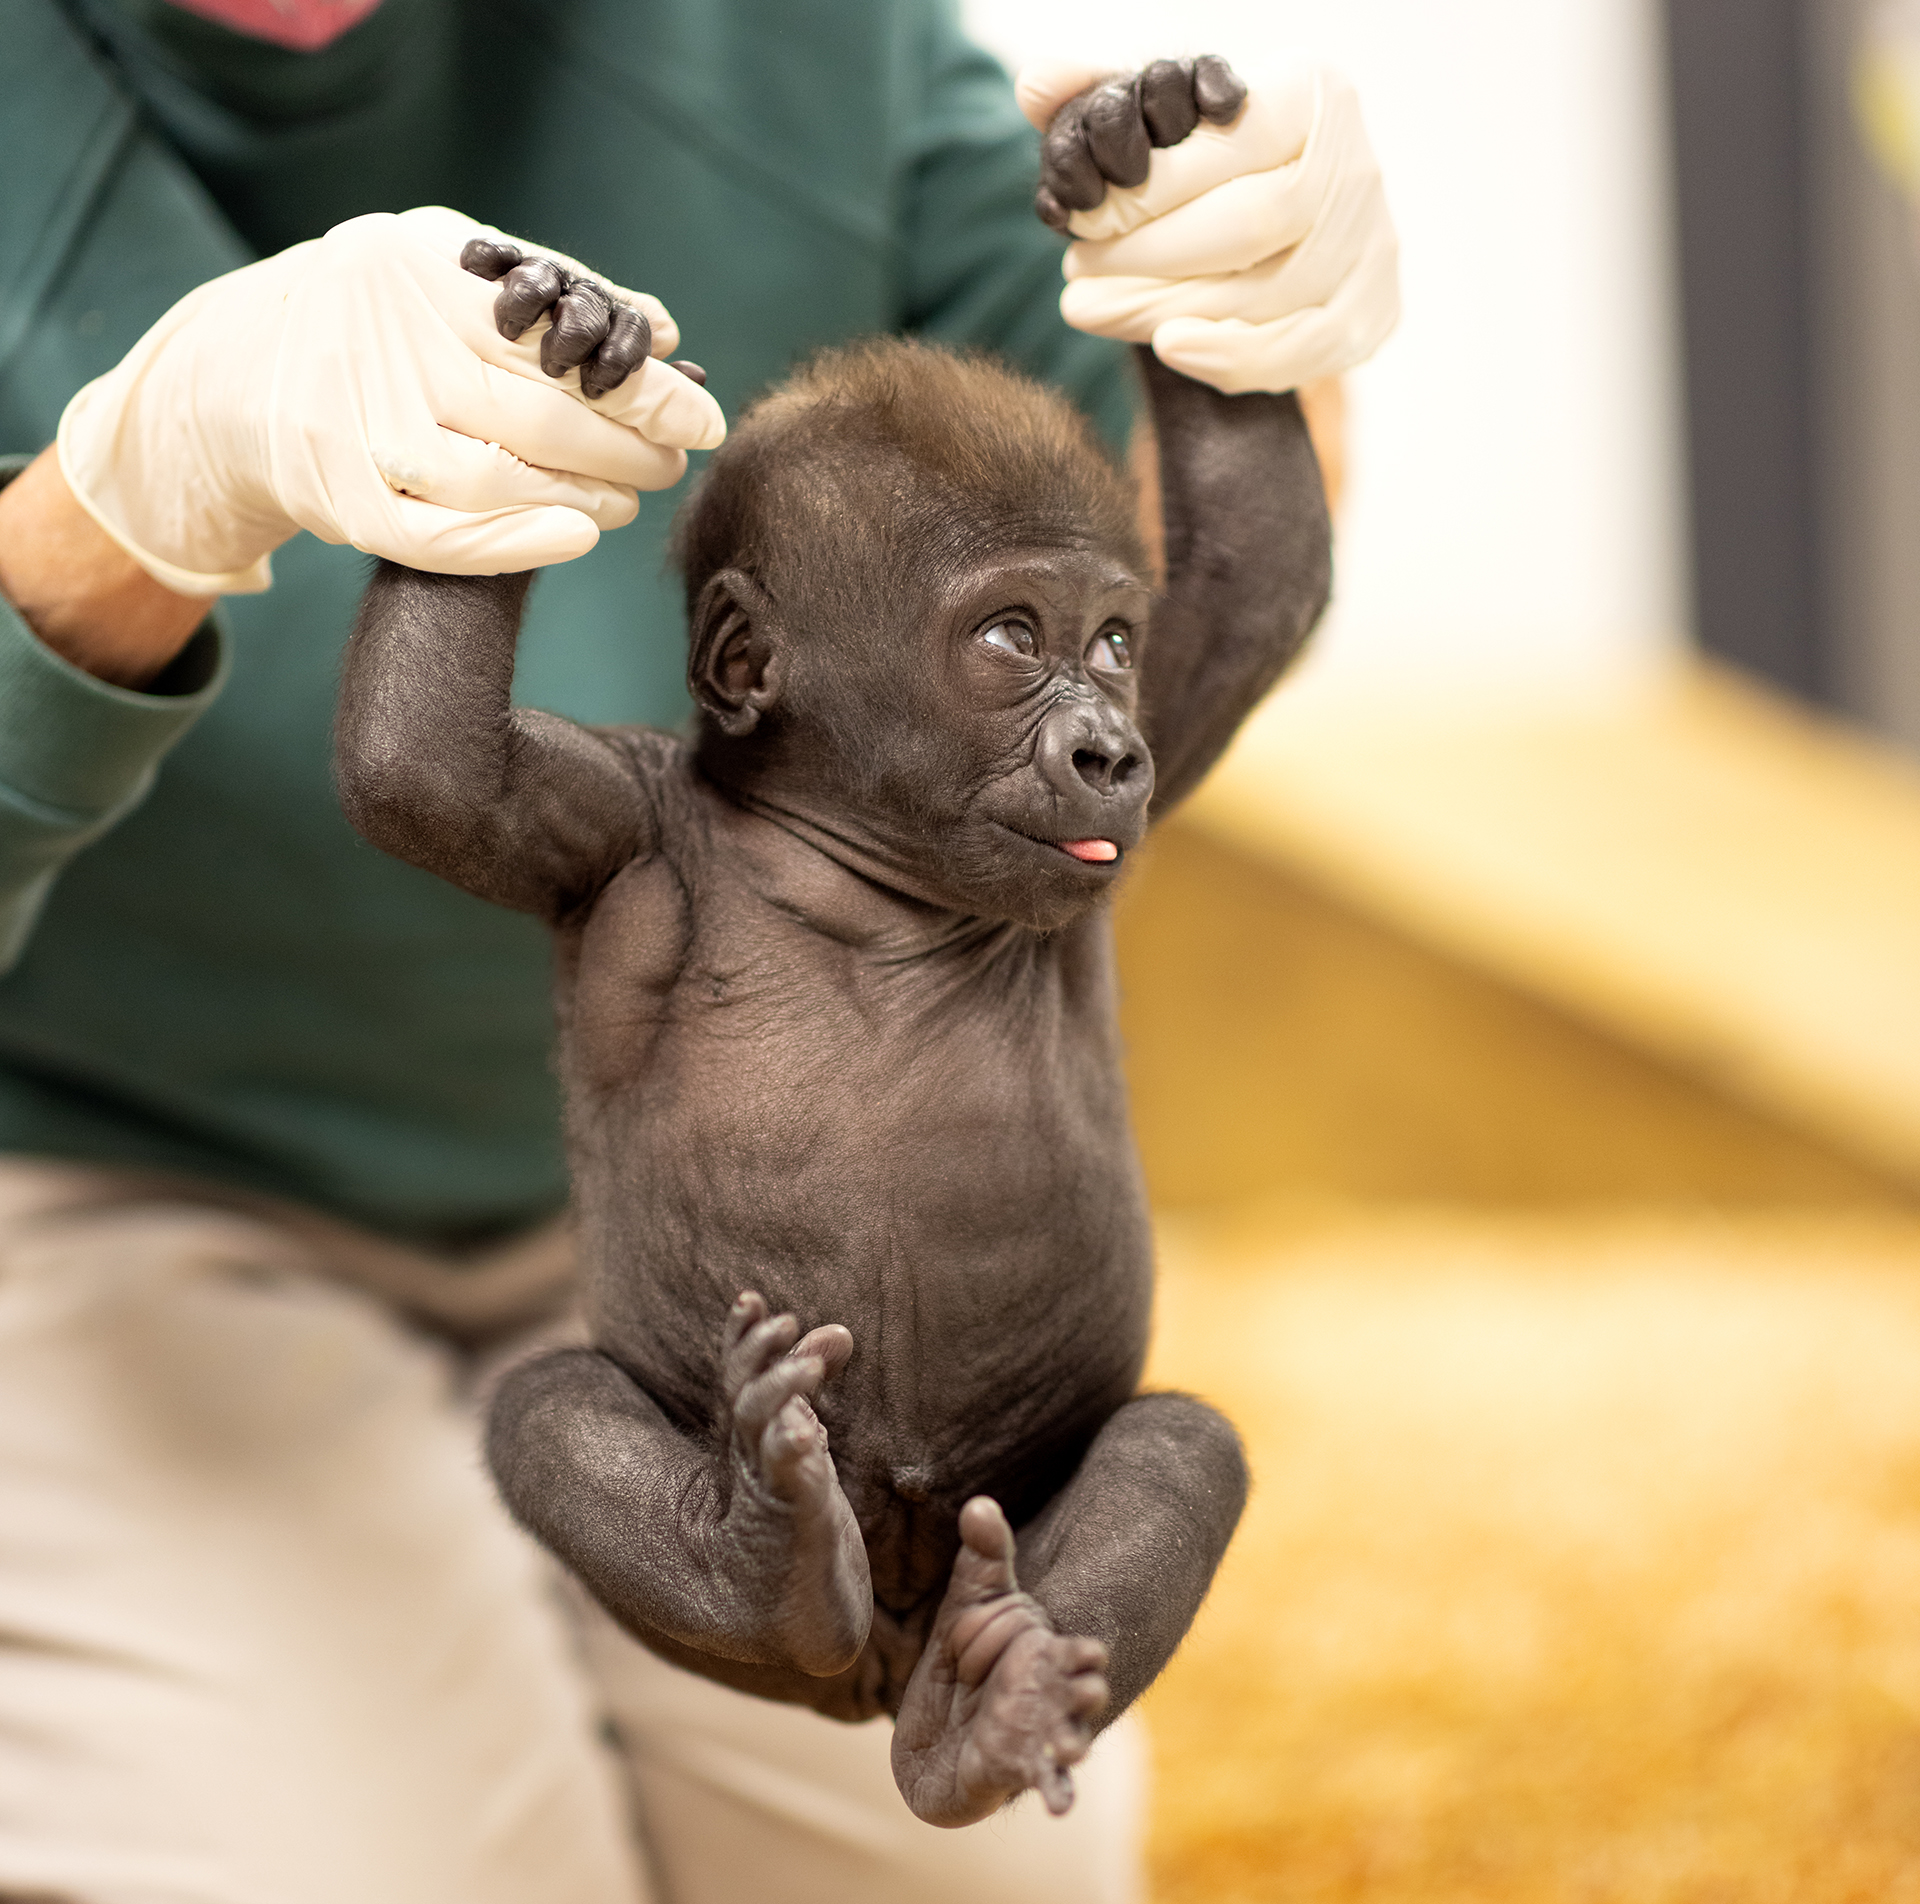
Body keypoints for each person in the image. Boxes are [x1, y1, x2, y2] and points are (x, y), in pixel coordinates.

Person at [0, 0, 1399, 1897]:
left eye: (1102, 659)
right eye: (1012, 644)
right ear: (753, 671)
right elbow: (424, 770)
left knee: (1097, 1627)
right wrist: (155, 509)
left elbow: (1228, 577)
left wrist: (1236, 322)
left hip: (894, 1436)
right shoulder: (665, 823)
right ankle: (742, 1558)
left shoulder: (1030, 841)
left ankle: (1010, 1661)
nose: (1101, 725)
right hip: (105, 1199)